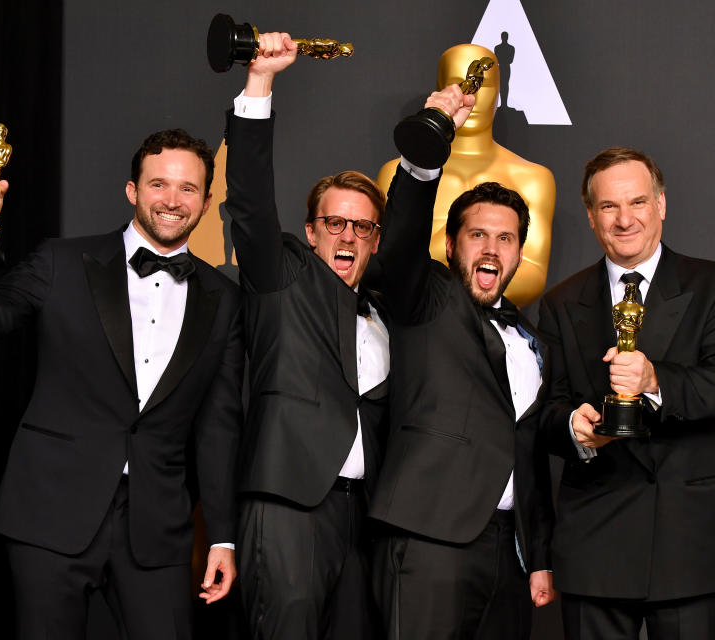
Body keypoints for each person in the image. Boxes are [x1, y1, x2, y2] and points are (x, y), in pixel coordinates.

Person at [0, 128, 244, 639]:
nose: (172, 200)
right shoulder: (61, 262)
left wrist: (222, 537)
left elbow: (218, 426)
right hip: (50, 511)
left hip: (157, 525)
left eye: (188, 189)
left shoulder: (224, 299)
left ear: (207, 201)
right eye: (158, 185)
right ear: (132, 192)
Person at [223, 33, 404, 639]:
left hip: (363, 520)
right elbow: (247, 202)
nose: (348, 236)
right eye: (335, 222)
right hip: (286, 507)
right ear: (310, 230)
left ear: (376, 240)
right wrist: (260, 85)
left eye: (362, 226)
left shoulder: (384, 315)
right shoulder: (282, 279)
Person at [537, 147, 715, 640]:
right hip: (596, 541)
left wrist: (655, 381)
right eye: (609, 207)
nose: (624, 219)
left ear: (661, 204)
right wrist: (573, 428)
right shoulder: (560, 302)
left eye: (637, 202)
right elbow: (545, 411)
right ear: (591, 215)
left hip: (687, 542)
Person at [370, 83, 555, 639]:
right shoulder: (426, 296)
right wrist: (428, 150)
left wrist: (538, 549)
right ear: (450, 246)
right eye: (478, 235)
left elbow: (527, 446)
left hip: (509, 553)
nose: (492, 249)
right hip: (429, 539)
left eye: (506, 238)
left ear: (521, 252)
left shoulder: (531, 337)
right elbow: (399, 241)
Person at [377, 43, 556, 307]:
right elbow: (391, 262)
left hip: (498, 334)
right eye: (457, 83)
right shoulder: (400, 172)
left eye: (481, 84)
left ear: (498, 92)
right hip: (417, 327)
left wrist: (442, 259)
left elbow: (533, 276)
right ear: (439, 91)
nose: (470, 93)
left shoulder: (533, 178)